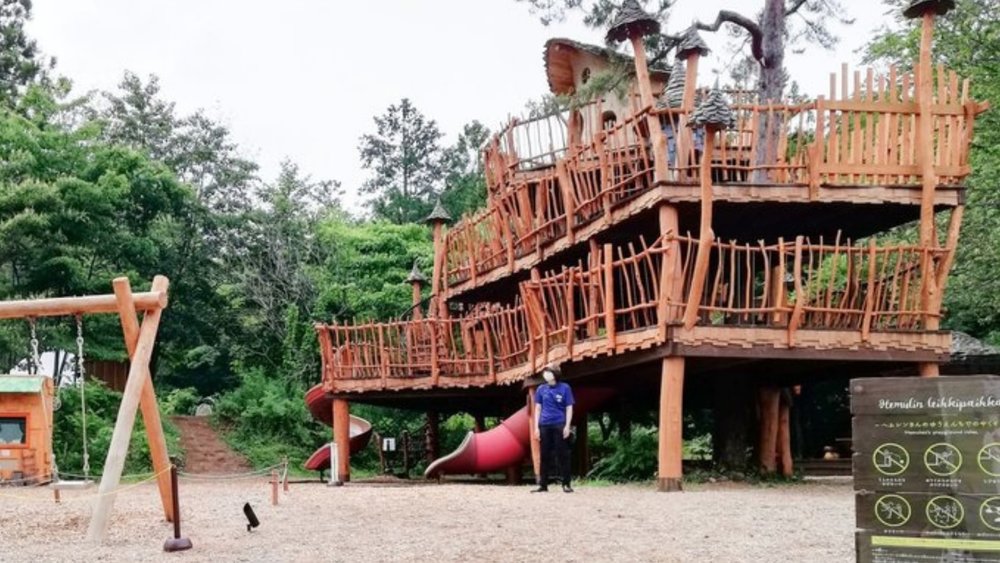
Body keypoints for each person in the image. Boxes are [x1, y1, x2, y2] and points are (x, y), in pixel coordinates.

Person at [532, 366, 575, 493]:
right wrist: (536, 427)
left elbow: (569, 408)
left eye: (548, 372)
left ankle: (566, 484)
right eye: (545, 372)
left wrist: (567, 426)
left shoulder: (565, 387)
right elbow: (538, 408)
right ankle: (543, 485)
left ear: (555, 373)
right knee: (544, 455)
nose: (546, 374)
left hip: (559, 424)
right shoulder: (541, 389)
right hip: (544, 425)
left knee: (563, 454)